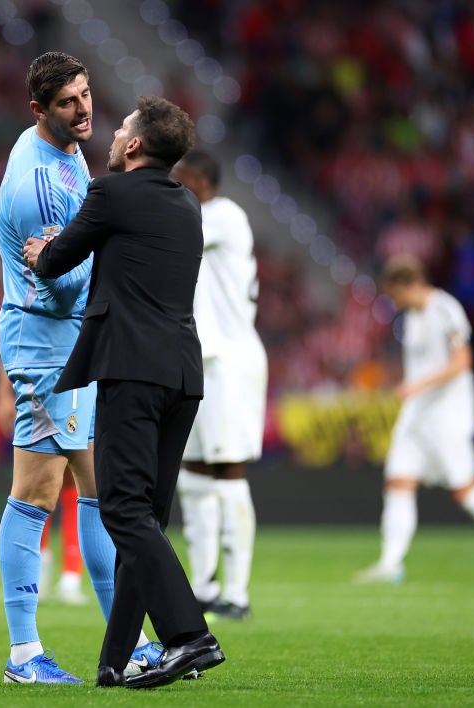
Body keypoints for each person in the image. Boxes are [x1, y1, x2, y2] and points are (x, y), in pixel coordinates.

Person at [24, 95, 224, 689]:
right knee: (146, 521)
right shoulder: (188, 203)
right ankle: (114, 661)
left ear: (135, 145)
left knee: (122, 509)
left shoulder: (111, 194)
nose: (111, 137)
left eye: (121, 131)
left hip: (132, 371)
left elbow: (58, 259)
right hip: (182, 375)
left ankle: (189, 637)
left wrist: (41, 251)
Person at [0, 51, 160, 684]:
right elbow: (62, 287)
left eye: (86, 94)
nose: (85, 108)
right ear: (40, 110)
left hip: (71, 343)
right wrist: (109, 249)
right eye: (68, 102)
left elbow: (65, 255)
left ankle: (129, 640)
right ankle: (24, 654)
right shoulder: (38, 185)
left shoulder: (61, 147)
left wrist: (78, 246)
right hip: (46, 345)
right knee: (35, 491)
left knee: (98, 491)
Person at [355, 255, 474, 584]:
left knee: (465, 489)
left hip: (446, 415)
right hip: (416, 415)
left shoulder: (446, 309)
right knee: (398, 482)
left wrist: (417, 385)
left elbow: (461, 362)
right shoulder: (411, 320)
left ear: (409, 284)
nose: (394, 302)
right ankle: (391, 563)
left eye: (394, 294)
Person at [171, 150, 267, 621]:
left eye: (179, 178)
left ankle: (238, 592)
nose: (173, 185)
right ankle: (204, 586)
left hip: (231, 360)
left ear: (199, 180)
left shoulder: (225, 217)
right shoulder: (202, 216)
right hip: (200, 357)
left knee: (228, 469)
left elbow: (172, 232)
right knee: (193, 473)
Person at [0, 373, 85, 605]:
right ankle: (43, 568)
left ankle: (69, 575)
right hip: (39, 401)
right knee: (40, 486)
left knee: (72, 484)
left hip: (73, 399)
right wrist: (4, 396)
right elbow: (14, 352)